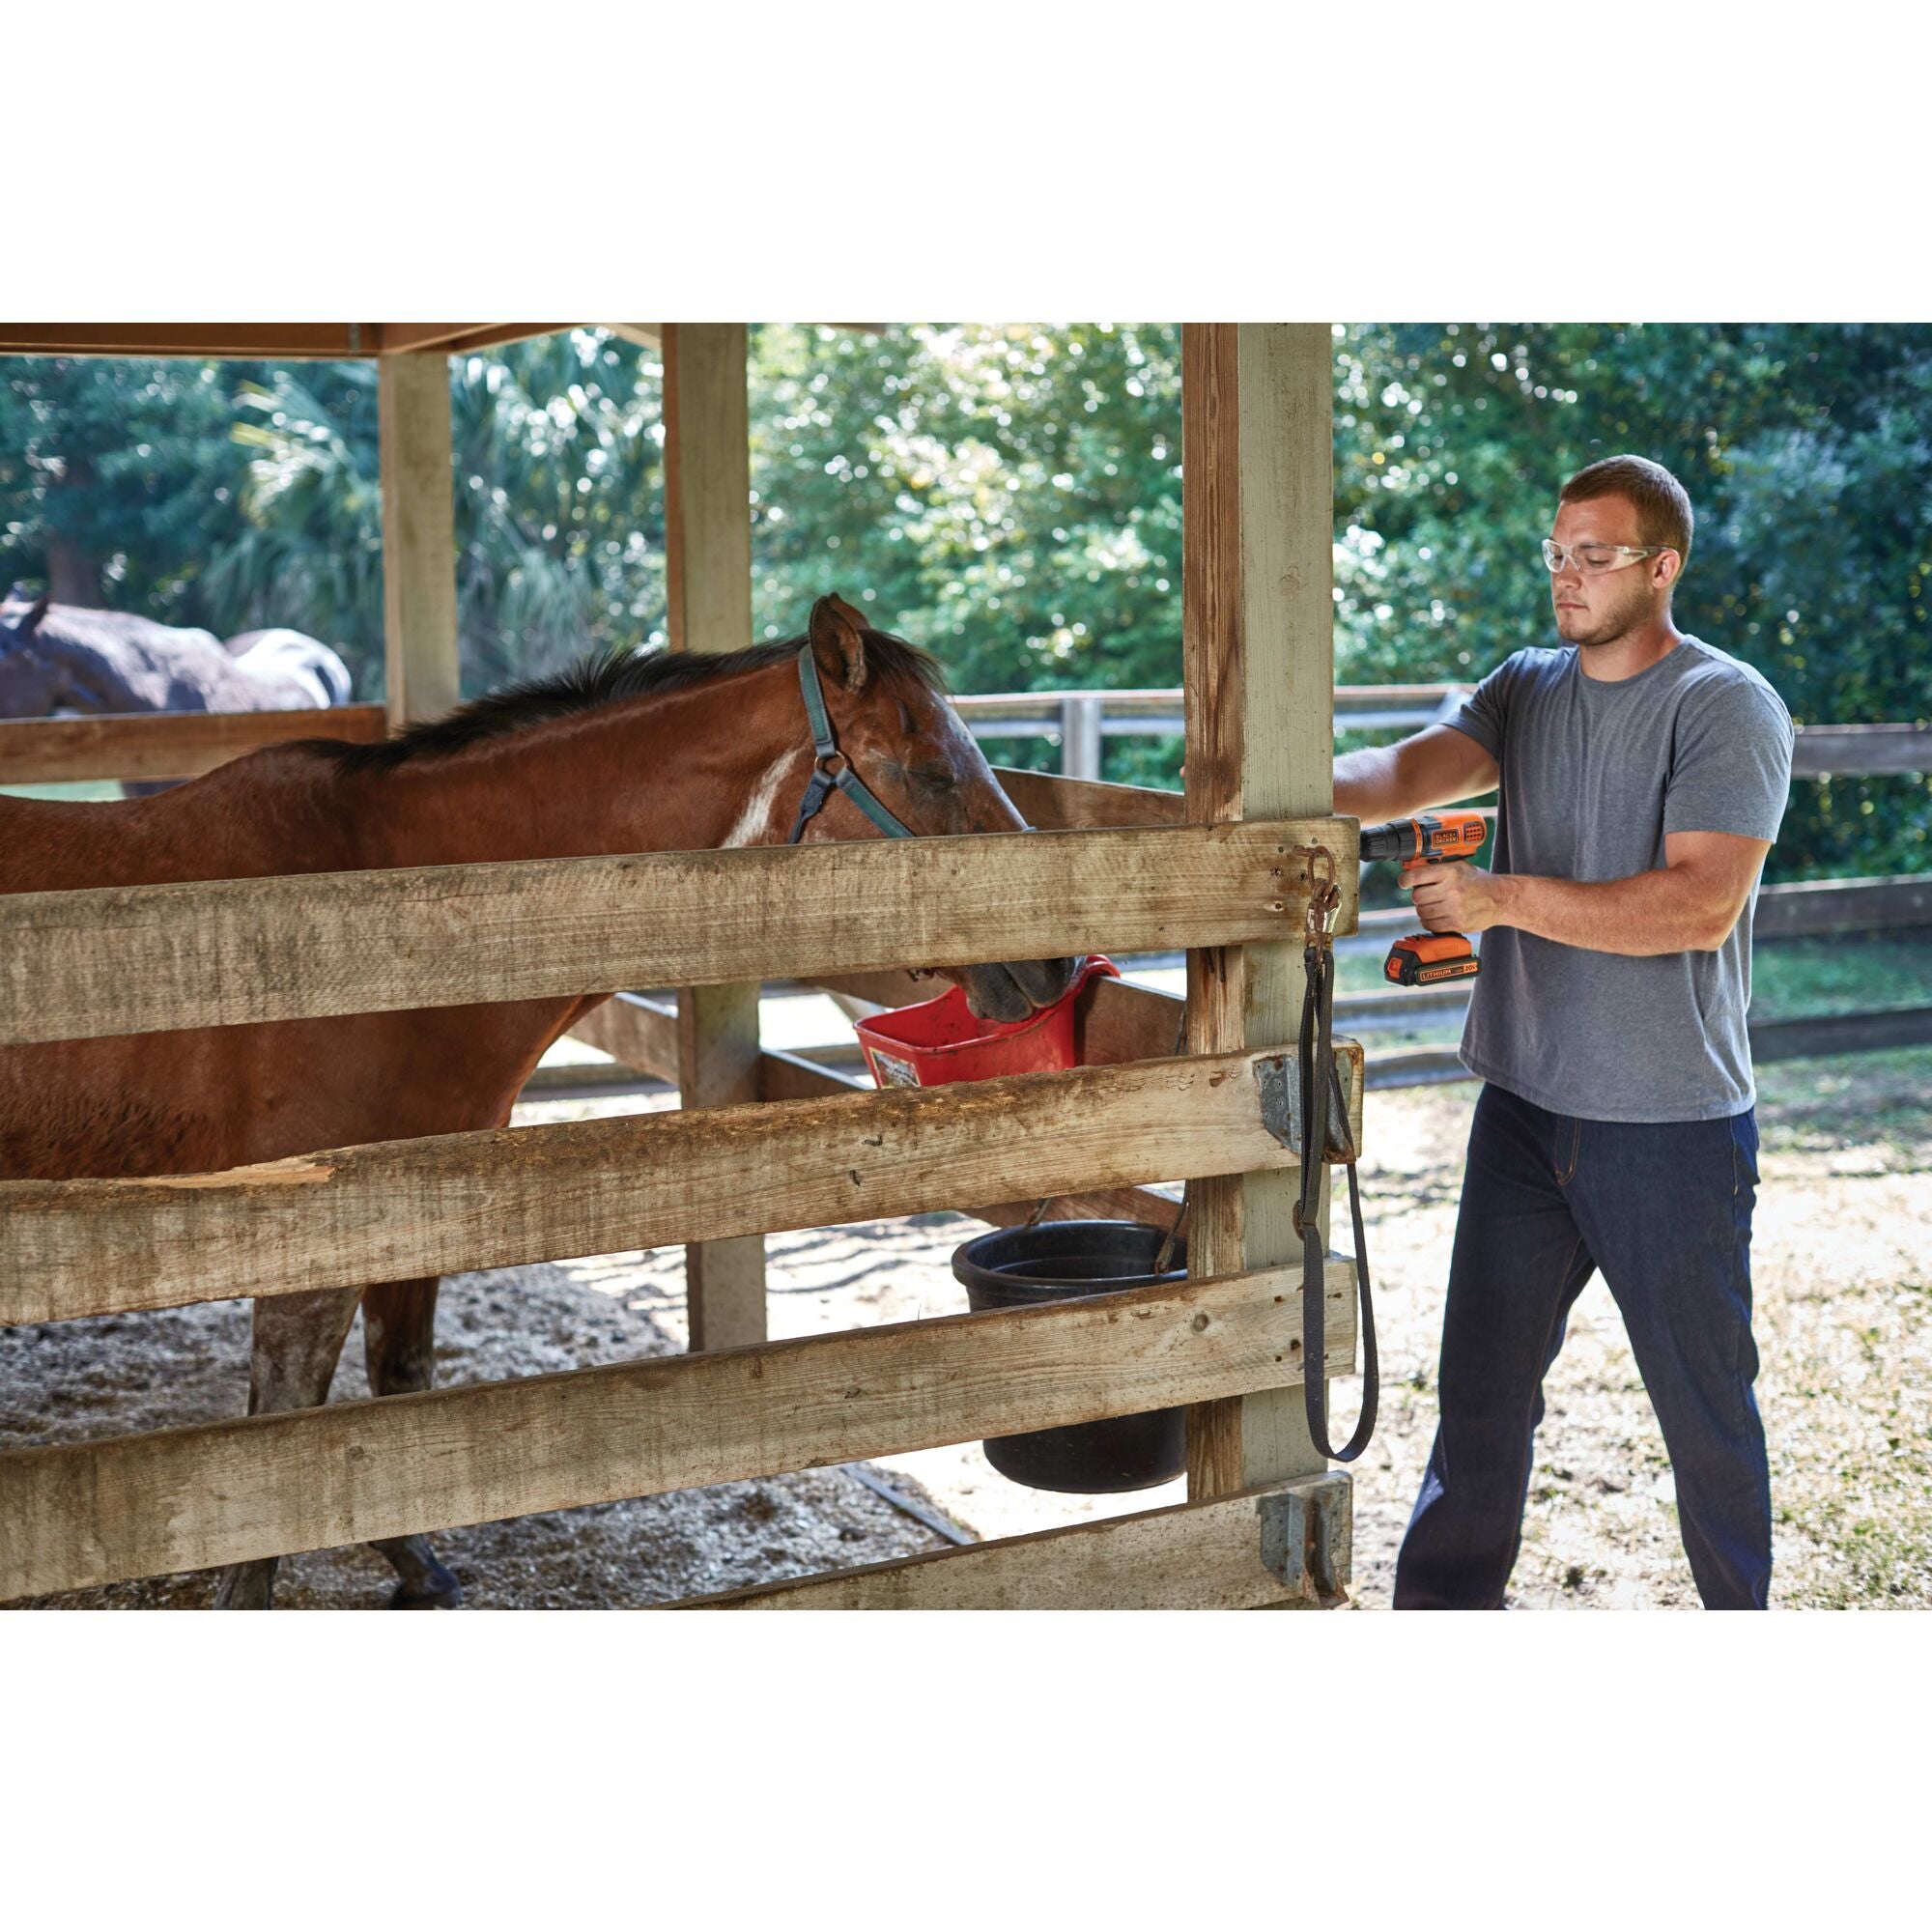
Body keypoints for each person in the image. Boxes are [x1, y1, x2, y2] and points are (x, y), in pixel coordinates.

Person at [1334, 453, 1795, 1609]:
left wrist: (1497, 897)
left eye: (1593, 556)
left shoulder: (1723, 703)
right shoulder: (1525, 685)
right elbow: (1393, 773)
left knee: (1704, 1416)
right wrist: (1252, 780)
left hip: (1667, 1125)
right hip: (1524, 1109)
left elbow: (1697, 903)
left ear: (1660, 565)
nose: (1566, 576)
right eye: (1556, 553)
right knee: (1479, 1399)